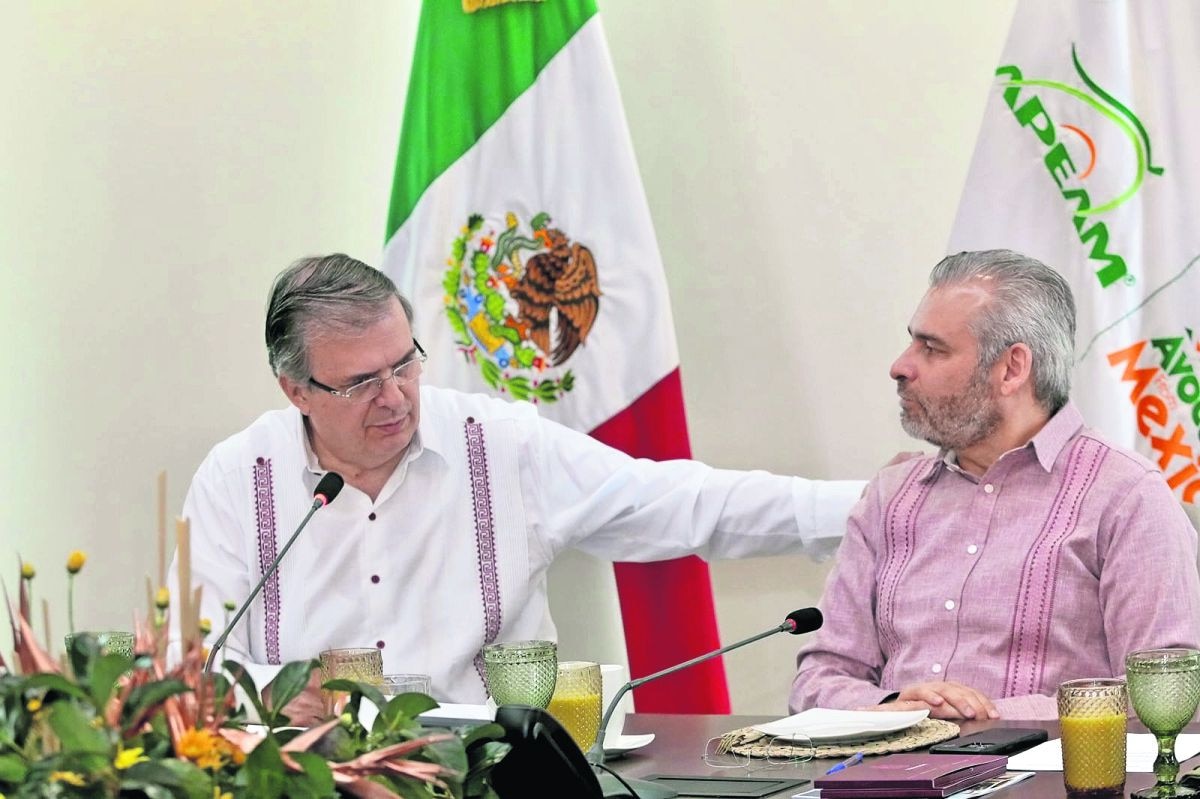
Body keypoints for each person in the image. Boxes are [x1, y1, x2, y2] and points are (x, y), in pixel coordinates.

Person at [171, 253, 866, 706]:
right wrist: (281, 695)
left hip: (491, 774)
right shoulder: (238, 478)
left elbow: (682, 503)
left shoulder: (497, 443)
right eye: (361, 382)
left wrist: (872, 505)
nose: (395, 396)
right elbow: (192, 660)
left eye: (404, 364)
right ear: (296, 389)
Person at [790, 249, 1200, 720]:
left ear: (1011, 369)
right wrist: (894, 707)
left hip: (1047, 768)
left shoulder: (1125, 495)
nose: (900, 366)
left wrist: (987, 718)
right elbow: (818, 679)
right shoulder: (891, 497)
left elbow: (1165, 697)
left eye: (932, 348)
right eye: (911, 343)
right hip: (891, 762)